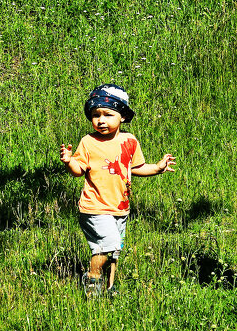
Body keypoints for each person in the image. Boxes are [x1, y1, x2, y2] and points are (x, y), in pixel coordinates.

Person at [60, 84, 175, 297]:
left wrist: (158, 168)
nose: (101, 120)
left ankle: (110, 289)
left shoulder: (129, 141)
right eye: (95, 115)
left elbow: (136, 168)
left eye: (108, 114)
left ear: (122, 116)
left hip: (120, 208)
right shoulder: (88, 142)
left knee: (115, 251)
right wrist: (69, 161)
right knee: (106, 245)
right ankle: (93, 279)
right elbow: (78, 170)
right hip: (94, 207)